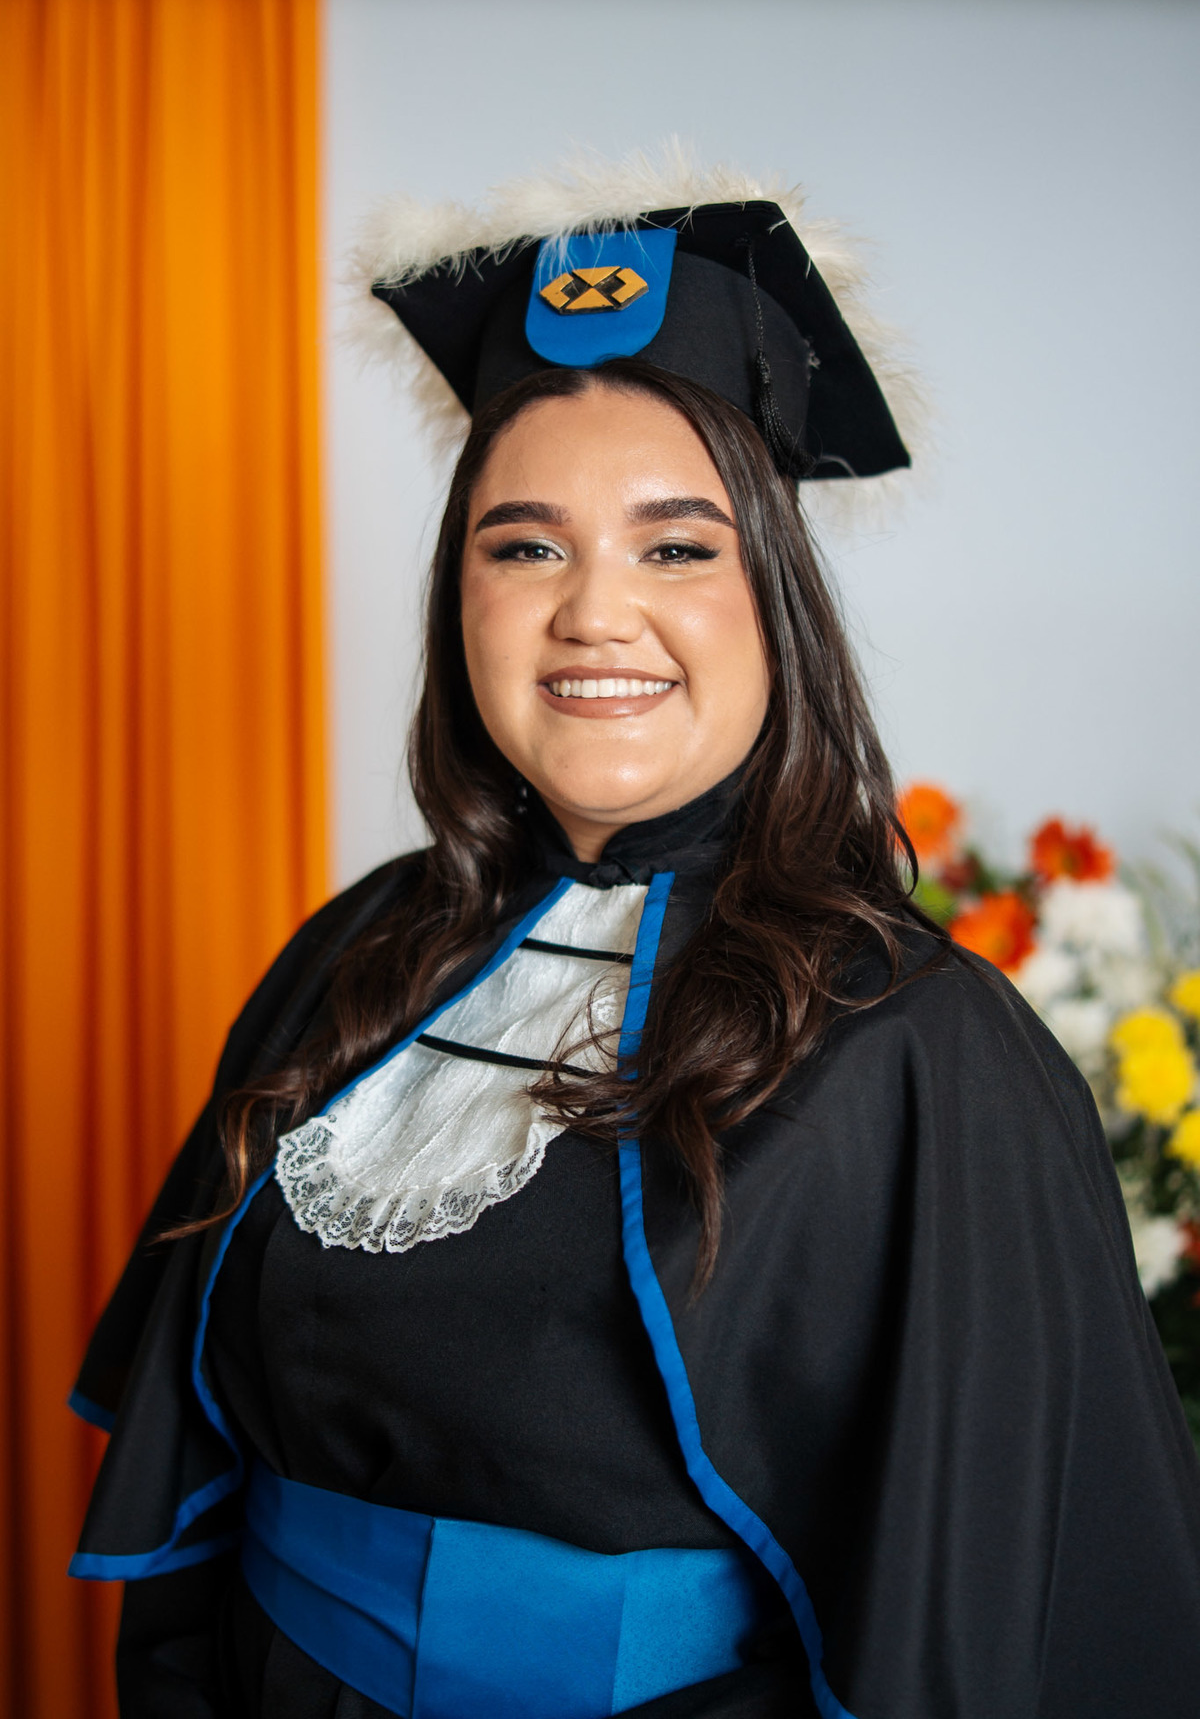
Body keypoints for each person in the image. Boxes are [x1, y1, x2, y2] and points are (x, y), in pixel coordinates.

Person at [71, 159, 1200, 1719]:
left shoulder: (923, 1048)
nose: (593, 614)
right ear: (458, 599)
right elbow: (199, 1513)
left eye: (676, 546)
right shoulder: (354, 953)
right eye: (524, 546)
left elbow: (981, 1636)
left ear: (776, 601)